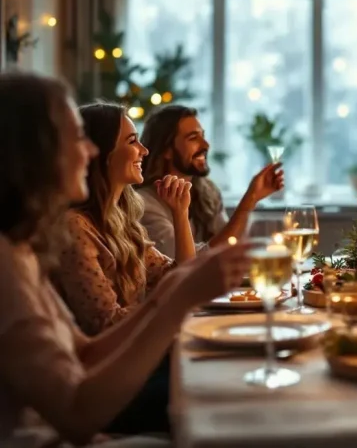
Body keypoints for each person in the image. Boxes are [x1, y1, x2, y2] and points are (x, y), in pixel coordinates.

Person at [0, 73, 252, 446]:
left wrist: (182, 286)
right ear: (36, 152)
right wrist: (177, 300)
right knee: (217, 394)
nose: (88, 152)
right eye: (77, 138)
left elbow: (84, 351)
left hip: (83, 412)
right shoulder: (16, 262)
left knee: (221, 380)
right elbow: (76, 414)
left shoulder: (22, 250)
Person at [50, 103, 196, 336]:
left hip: (137, 349)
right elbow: (106, 323)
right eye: (132, 141)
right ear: (101, 154)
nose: (144, 150)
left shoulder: (123, 222)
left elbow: (181, 280)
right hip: (107, 365)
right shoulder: (75, 227)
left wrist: (180, 214)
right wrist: (168, 303)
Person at [138, 105, 283, 259]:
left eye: (203, 136)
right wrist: (249, 199)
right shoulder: (144, 204)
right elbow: (189, 262)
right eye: (193, 138)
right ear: (166, 150)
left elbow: (230, 245)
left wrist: (254, 197)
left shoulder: (208, 190)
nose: (206, 145)